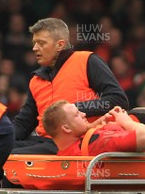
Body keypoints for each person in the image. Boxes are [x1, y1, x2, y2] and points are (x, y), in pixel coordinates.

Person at [11, 18, 129, 154]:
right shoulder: (36, 80)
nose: (35, 48)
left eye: (41, 43)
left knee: (13, 154)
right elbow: (24, 123)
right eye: (34, 43)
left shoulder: (87, 61)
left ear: (60, 45)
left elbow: (118, 100)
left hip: (76, 141)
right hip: (43, 141)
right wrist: (1, 140)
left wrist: (72, 110)